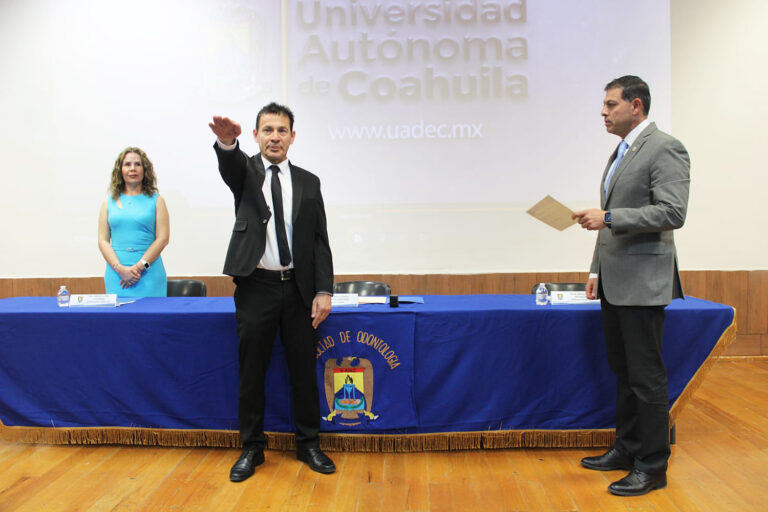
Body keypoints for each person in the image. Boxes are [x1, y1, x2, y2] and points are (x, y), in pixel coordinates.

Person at [572, 76, 690, 497]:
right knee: (624, 373)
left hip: (643, 283)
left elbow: (673, 212)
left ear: (636, 106)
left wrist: (610, 218)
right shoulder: (621, 152)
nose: (603, 112)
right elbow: (610, 218)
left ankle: (653, 465)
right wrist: (595, 270)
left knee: (646, 378)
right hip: (615, 281)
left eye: (610, 104)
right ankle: (626, 449)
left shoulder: (665, 148)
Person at [208, 102, 335, 482]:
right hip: (256, 287)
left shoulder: (309, 182)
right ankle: (251, 448)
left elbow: (319, 240)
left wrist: (324, 290)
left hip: (298, 290)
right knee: (252, 371)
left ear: (292, 137)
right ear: (256, 136)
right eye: (267, 130)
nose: (275, 137)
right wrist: (226, 144)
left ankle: (308, 443)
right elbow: (229, 168)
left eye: (282, 130)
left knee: (301, 370)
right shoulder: (245, 172)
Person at [98, 147, 169, 297]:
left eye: (138, 164)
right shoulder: (108, 202)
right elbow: (103, 241)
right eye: (127, 164)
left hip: (149, 275)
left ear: (145, 170)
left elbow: (163, 239)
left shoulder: (157, 200)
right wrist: (120, 269)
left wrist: (139, 267)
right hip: (117, 276)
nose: (132, 168)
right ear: (120, 170)